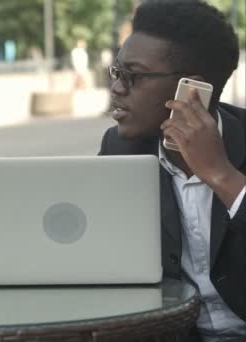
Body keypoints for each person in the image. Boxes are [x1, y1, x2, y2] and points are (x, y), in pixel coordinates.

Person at [99, 0, 245, 339]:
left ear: (190, 91)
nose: (117, 89)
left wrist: (221, 174)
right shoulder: (119, 150)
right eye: (117, 72)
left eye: (133, 76)